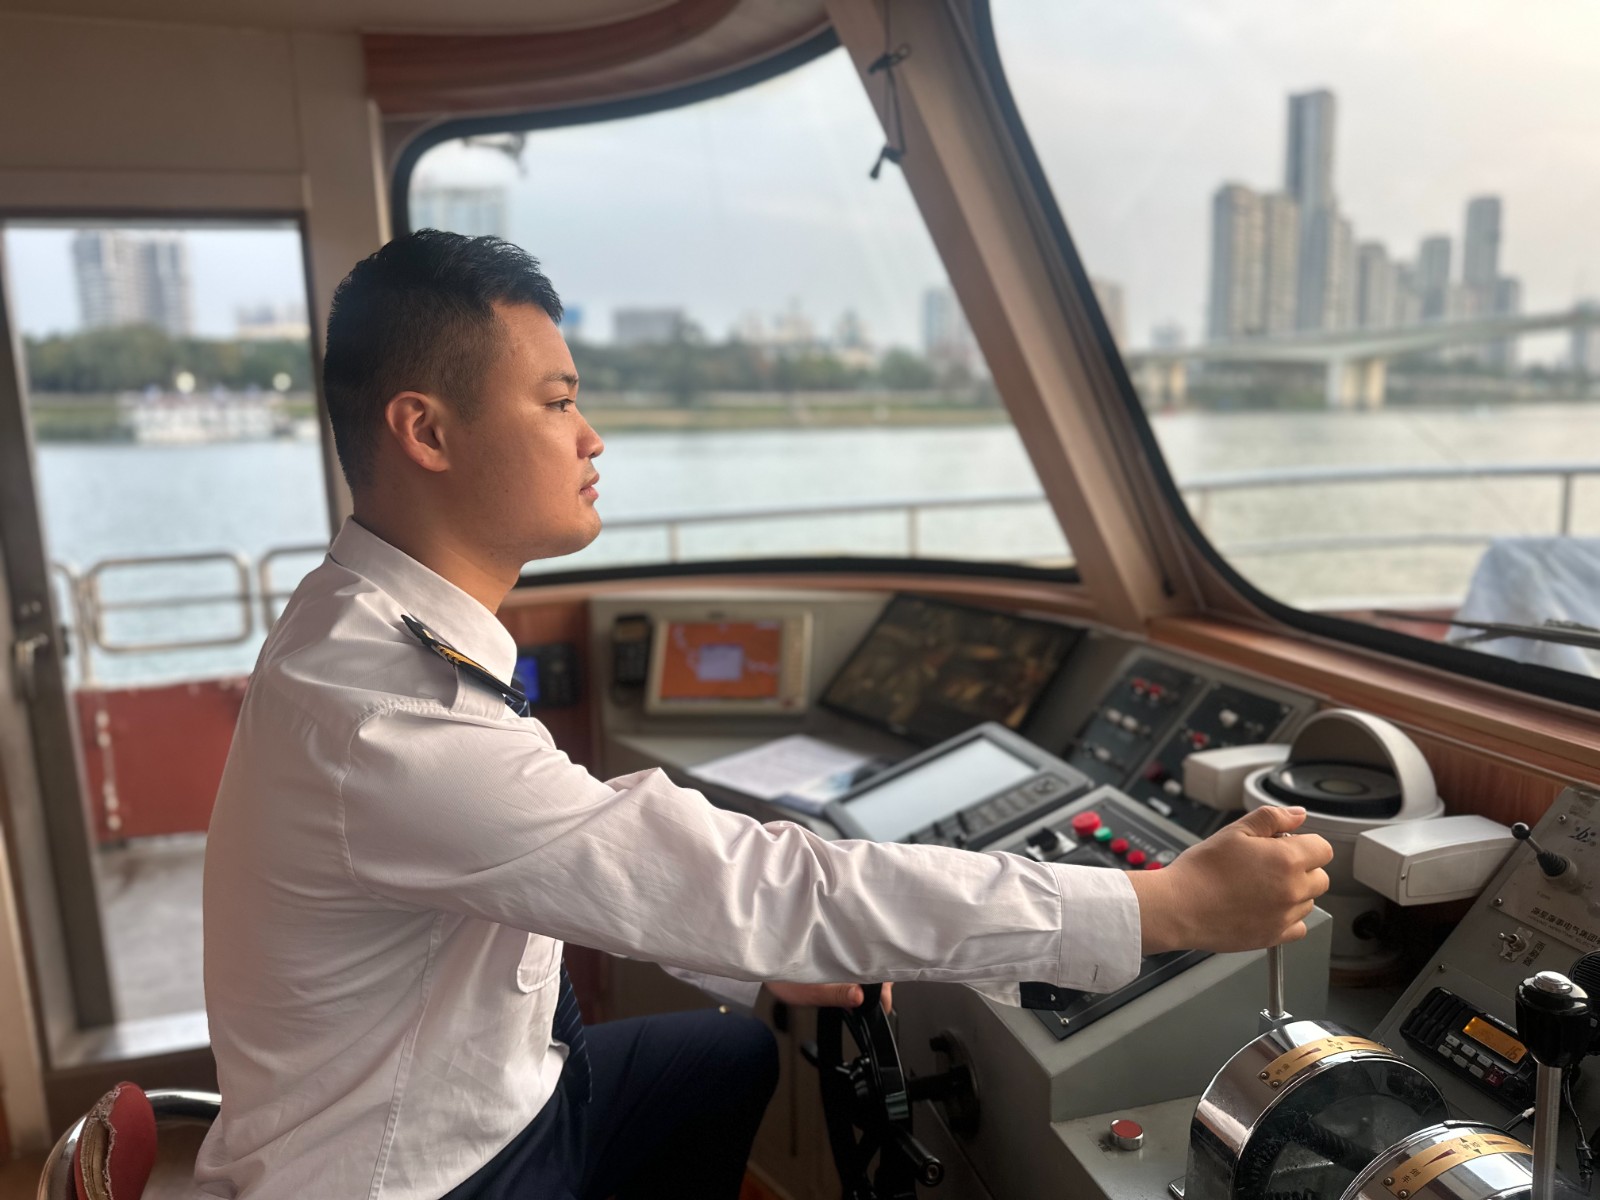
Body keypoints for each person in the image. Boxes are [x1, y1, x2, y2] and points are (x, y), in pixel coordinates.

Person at [196, 231, 1333, 1200]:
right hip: (418, 1172)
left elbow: (549, 866)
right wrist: (1159, 906)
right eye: (557, 401)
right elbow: (768, 887)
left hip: (499, 1084)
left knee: (734, 1055)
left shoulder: (364, 617)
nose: (592, 438)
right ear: (427, 432)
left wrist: (758, 964)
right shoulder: (387, 712)